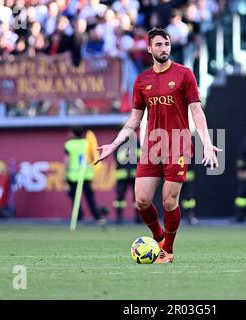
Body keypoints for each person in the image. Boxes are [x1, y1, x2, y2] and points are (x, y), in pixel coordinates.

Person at [94, 28, 221, 264]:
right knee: (141, 199)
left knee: (169, 201)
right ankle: (159, 238)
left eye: (167, 44)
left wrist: (208, 143)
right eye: (159, 45)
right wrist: (114, 145)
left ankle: (168, 251)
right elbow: (134, 119)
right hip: (151, 147)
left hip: (178, 146)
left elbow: (196, 111)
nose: (164, 49)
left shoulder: (184, 75)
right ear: (150, 48)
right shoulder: (142, 80)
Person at [64, 127, 107, 224]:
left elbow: (67, 160)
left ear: (73, 133)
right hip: (87, 174)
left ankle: (78, 218)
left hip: (74, 176)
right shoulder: (87, 143)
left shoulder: (69, 144)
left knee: (75, 199)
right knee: (90, 198)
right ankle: (97, 217)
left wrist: (64, 175)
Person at [113, 141, 141, 224]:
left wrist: (132, 153)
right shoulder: (118, 141)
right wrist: (126, 154)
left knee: (137, 198)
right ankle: (118, 218)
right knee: (119, 198)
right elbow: (116, 156)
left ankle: (138, 218)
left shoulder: (136, 142)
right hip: (122, 175)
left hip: (134, 174)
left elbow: (140, 155)